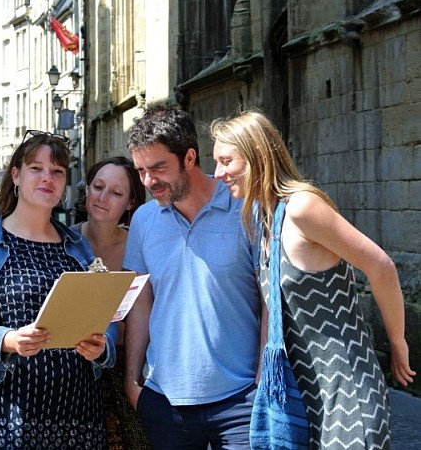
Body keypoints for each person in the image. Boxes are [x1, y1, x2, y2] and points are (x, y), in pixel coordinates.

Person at [210, 109, 416, 449]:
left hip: (348, 396)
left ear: (258, 155)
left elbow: (381, 266)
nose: (217, 173)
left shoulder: (302, 208)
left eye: (226, 161)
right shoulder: (264, 217)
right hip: (304, 398)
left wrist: (397, 341)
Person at [0, 130, 118, 448]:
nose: (47, 178)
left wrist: (102, 347)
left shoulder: (78, 246)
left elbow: (105, 316)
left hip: (79, 415)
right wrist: (7, 339)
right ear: (16, 175)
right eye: (36, 168)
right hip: (7, 415)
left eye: (56, 171)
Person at [123, 105, 263, 449]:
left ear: (189, 158)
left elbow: (269, 300)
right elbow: (141, 305)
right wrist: (131, 383)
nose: (148, 181)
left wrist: (262, 382)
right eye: (141, 170)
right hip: (164, 401)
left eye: (158, 168)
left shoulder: (247, 208)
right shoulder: (144, 219)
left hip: (242, 401)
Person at [70, 156, 149, 448]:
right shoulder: (62, 240)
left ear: (130, 202)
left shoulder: (139, 245)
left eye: (116, 193)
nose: (102, 198)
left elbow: (145, 312)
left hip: (125, 368)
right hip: (70, 372)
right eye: (97, 187)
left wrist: (134, 379)